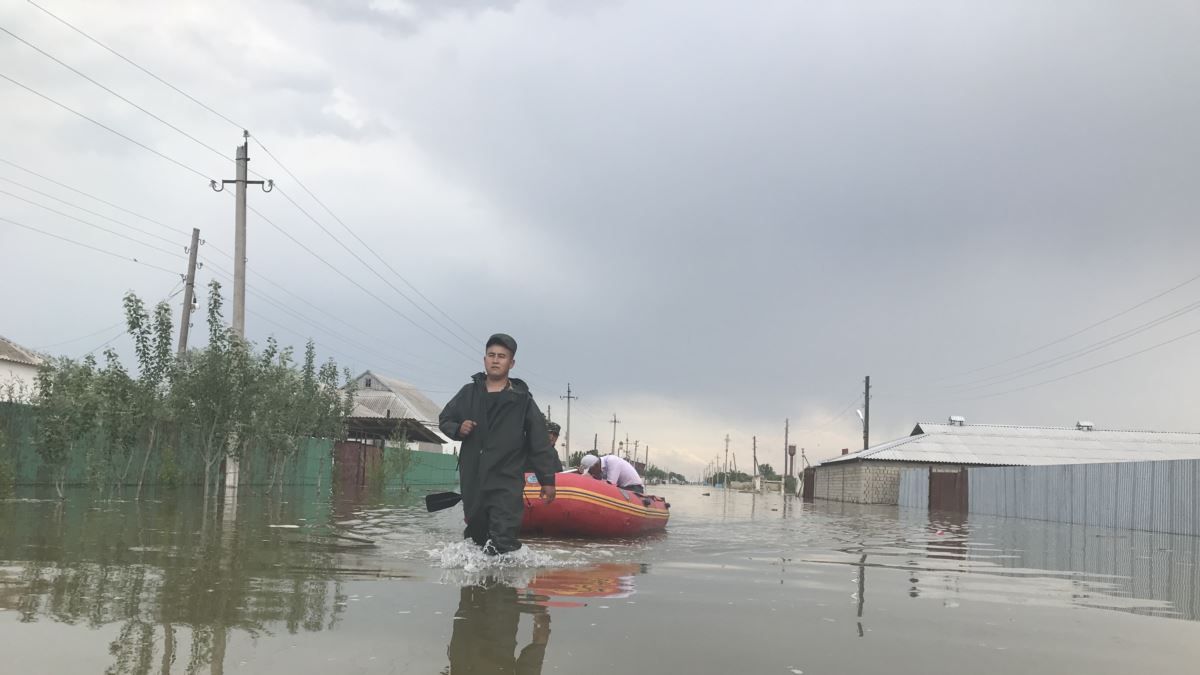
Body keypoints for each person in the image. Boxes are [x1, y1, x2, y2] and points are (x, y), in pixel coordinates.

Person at [439, 333, 559, 555]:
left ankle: (504, 587)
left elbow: (539, 442)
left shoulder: (522, 399)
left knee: (503, 541)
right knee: (476, 540)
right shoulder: (468, 393)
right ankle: (476, 588)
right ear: (484, 360)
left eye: (502, 356)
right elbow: (445, 419)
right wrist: (458, 429)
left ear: (511, 363)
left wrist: (547, 480)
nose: (495, 360)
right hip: (473, 478)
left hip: (506, 480)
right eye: (491, 355)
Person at [578, 453, 645, 494]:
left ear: (596, 465)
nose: (592, 474)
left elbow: (610, 486)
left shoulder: (612, 461)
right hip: (623, 487)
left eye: (591, 471)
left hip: (634, 488)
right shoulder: (600, 466)